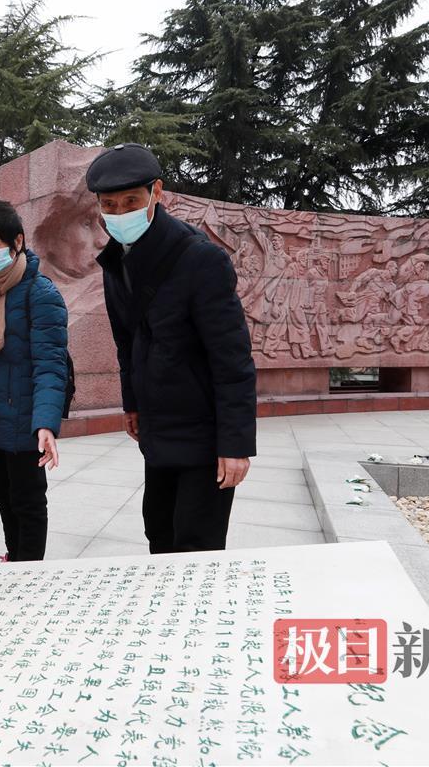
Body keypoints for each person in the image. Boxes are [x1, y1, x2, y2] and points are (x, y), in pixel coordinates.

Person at [89, 143, 256, 553]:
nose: (119, 213)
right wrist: (132, 403)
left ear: (157, 192)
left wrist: (235, 446)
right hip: (158, 430)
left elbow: (232, 358)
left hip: (203, 435)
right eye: (109, 205)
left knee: (196, 547)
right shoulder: (115, 261)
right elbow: (126, 342)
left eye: (131, 201)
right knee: (160, 535)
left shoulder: (200, 259)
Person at [0, 201, 68, 562]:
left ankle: (29, 571)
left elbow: (50, 365)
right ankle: (14, 556)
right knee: (3, 497)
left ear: (18, 242)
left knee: (28, 502)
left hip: (24, 422)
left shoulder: (41, 293)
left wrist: (46, 424)